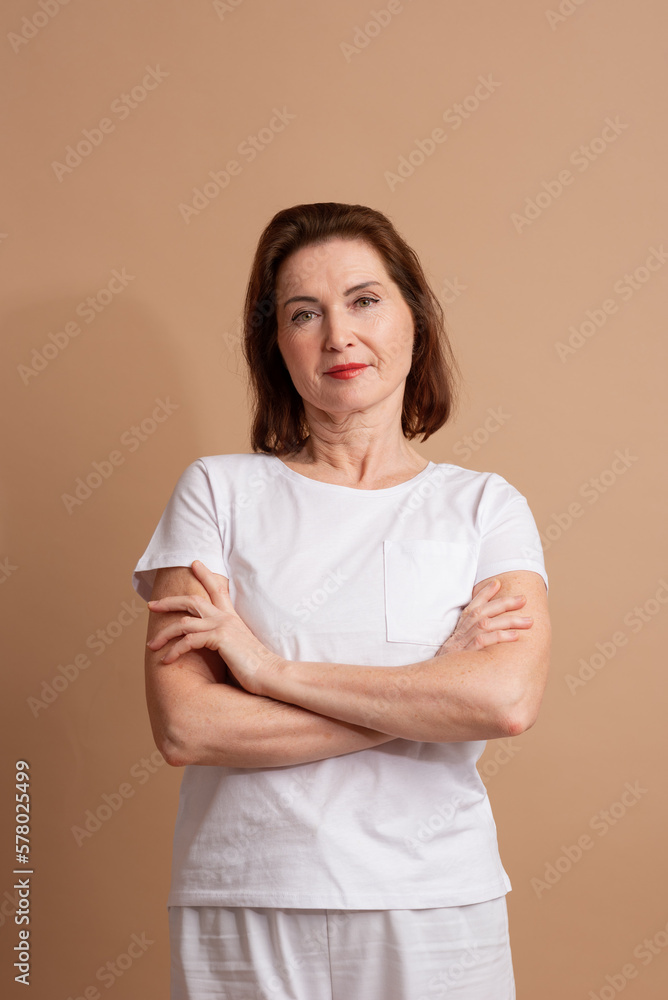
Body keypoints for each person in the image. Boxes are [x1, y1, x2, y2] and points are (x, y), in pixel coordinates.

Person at [132, 202, 551, 999]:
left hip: (435, 902)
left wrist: (268, 671)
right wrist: (428, 693)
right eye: (304, 313)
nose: (338, 336)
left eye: (364, 300)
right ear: (276, 345)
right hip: (246, 898)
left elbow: (503, 700)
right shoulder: (216, 493)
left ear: (415, 318)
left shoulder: (485, 507)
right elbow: (188, 725)